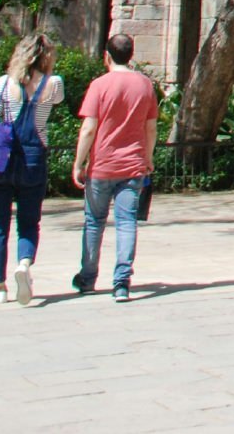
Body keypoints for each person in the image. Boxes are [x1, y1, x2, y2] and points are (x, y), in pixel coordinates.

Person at [0, 31, 63, 307]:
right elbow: (56, 102)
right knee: (29, 222)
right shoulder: (53, 84)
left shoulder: (4, 84)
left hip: (3, 159)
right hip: (34, 158)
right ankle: (24, 264)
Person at [72, 31, 158, 302]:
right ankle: (122, 282)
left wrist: (78, 163)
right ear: (131, 56)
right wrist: (148, 157)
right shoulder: (145, 85)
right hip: (133, 166)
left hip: (102, 165)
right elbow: (151, 127)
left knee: (94, 222)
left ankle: (88, 278)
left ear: (106, 56)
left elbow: (89, 128)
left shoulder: (99, 85)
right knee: (126, 222)